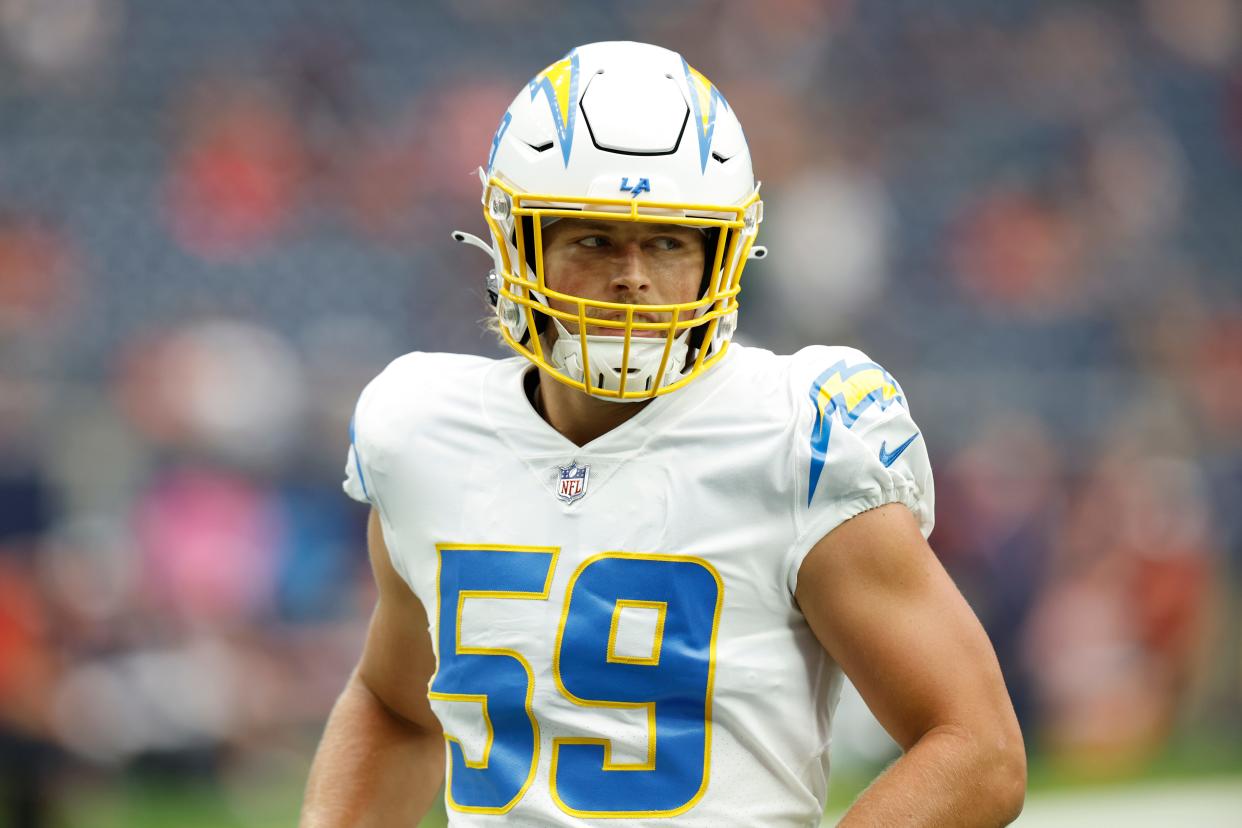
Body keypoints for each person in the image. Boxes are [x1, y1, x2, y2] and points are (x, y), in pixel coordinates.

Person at [300, 41, 1025, 827]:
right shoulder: (424, 433)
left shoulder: (798, 439)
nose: (633, 276)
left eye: (670, 241)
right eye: (593, 238)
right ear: (516, 243)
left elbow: (976, 748)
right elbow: (398, 705)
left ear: (725, 252)